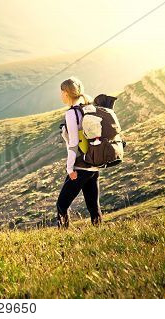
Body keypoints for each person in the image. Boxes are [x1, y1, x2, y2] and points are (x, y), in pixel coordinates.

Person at [57, 77, 102, 228]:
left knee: (62, 205)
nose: (61, 95)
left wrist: (70, 169)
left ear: (67, 93)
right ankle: (100, 233)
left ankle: (63, 238)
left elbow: (74, 143)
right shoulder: (89, 108)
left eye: (62, 91)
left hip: (80, 167)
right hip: (93, 165)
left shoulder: (71, 114)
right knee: (93, 207)